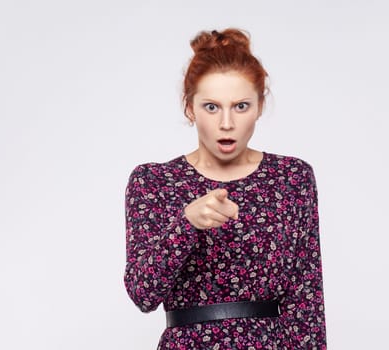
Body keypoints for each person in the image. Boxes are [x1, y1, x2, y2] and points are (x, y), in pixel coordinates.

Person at [124, 28, 326, 349]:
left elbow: (305, 300)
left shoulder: (291, 177)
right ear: (190, 108)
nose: (227, 123)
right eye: (212, 107)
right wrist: (186, 224)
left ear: (260, 106)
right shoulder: (155, 182)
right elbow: (142, 294)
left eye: (241, 106)